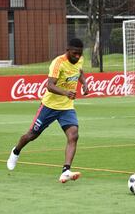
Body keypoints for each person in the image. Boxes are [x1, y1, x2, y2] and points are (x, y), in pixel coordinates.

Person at [6, 38, 89, 183]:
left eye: (79, 54)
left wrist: (85, 84)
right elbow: (50, 85)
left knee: (74, 135)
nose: (77, 56)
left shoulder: (79, 60)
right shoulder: (58, 63)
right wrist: (66, 92)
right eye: (75, 53)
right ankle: (16, 151)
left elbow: (80, 72)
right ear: (68, 50)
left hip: (66, 107)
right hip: (49, 106)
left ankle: (66, 170)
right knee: (31, 135)